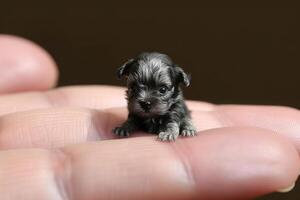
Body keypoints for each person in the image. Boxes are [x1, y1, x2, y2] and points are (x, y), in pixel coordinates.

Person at [0, 34, 299, 200]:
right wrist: (128, 124)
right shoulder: (138, 106)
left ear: (178, 84)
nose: (144, 99)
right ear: (127, 79)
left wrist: (175, 126)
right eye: (136, 88)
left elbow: (173, 115)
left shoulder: (177, 103)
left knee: (183, 119)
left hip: (175, 118)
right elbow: (137, 117)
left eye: (161, 90)